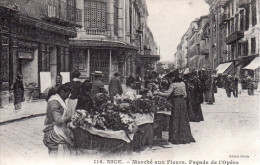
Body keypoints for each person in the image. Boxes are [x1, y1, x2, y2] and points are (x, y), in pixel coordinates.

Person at [154, 70, 195, 144]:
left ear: (173, 77)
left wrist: (157, 93)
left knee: (175, 119)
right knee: (183, 118)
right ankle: (184, 136)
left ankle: (175, 138)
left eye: (171, 78)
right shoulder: (183, 83)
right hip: (182, 102)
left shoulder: (173, 84)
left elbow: (167, 94)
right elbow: (185, 94)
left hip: (175, 102)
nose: (170, 79)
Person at [43, 83, 74, 156]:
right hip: (55, 133)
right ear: (62, 92)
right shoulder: (54, 102)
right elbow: (58, 120)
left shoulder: (59, 100)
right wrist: (70, 116)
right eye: (67, 94)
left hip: (59, 130)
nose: (67, 97)